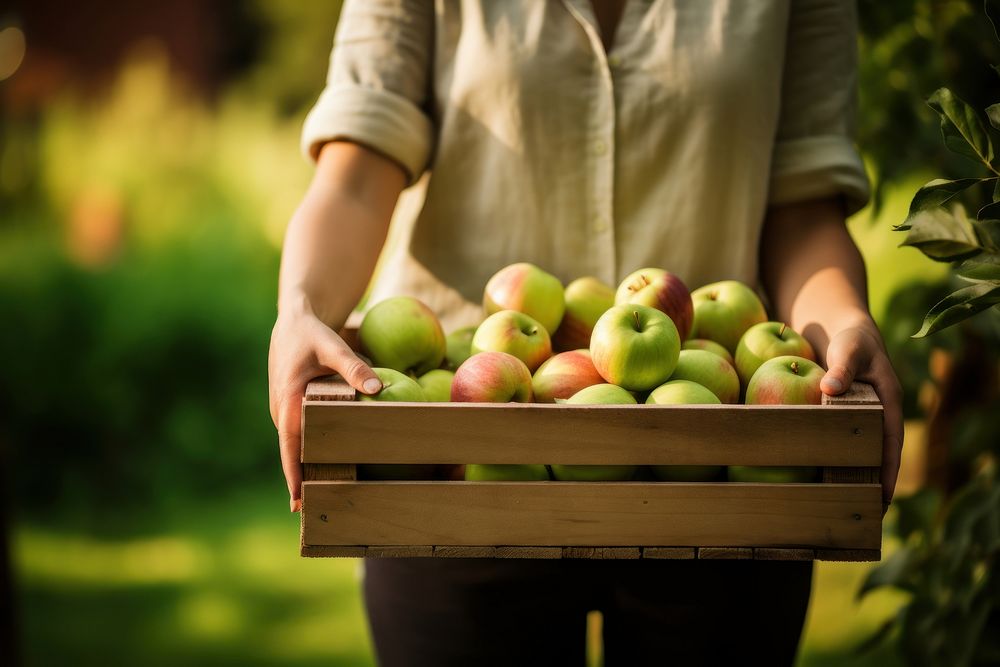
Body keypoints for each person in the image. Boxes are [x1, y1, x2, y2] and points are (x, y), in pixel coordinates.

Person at [268, 1, 904, 664]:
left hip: (717, 472)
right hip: (454, 462)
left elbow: (805, 206)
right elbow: (357, 173)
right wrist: (301, 307)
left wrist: (846, 321)